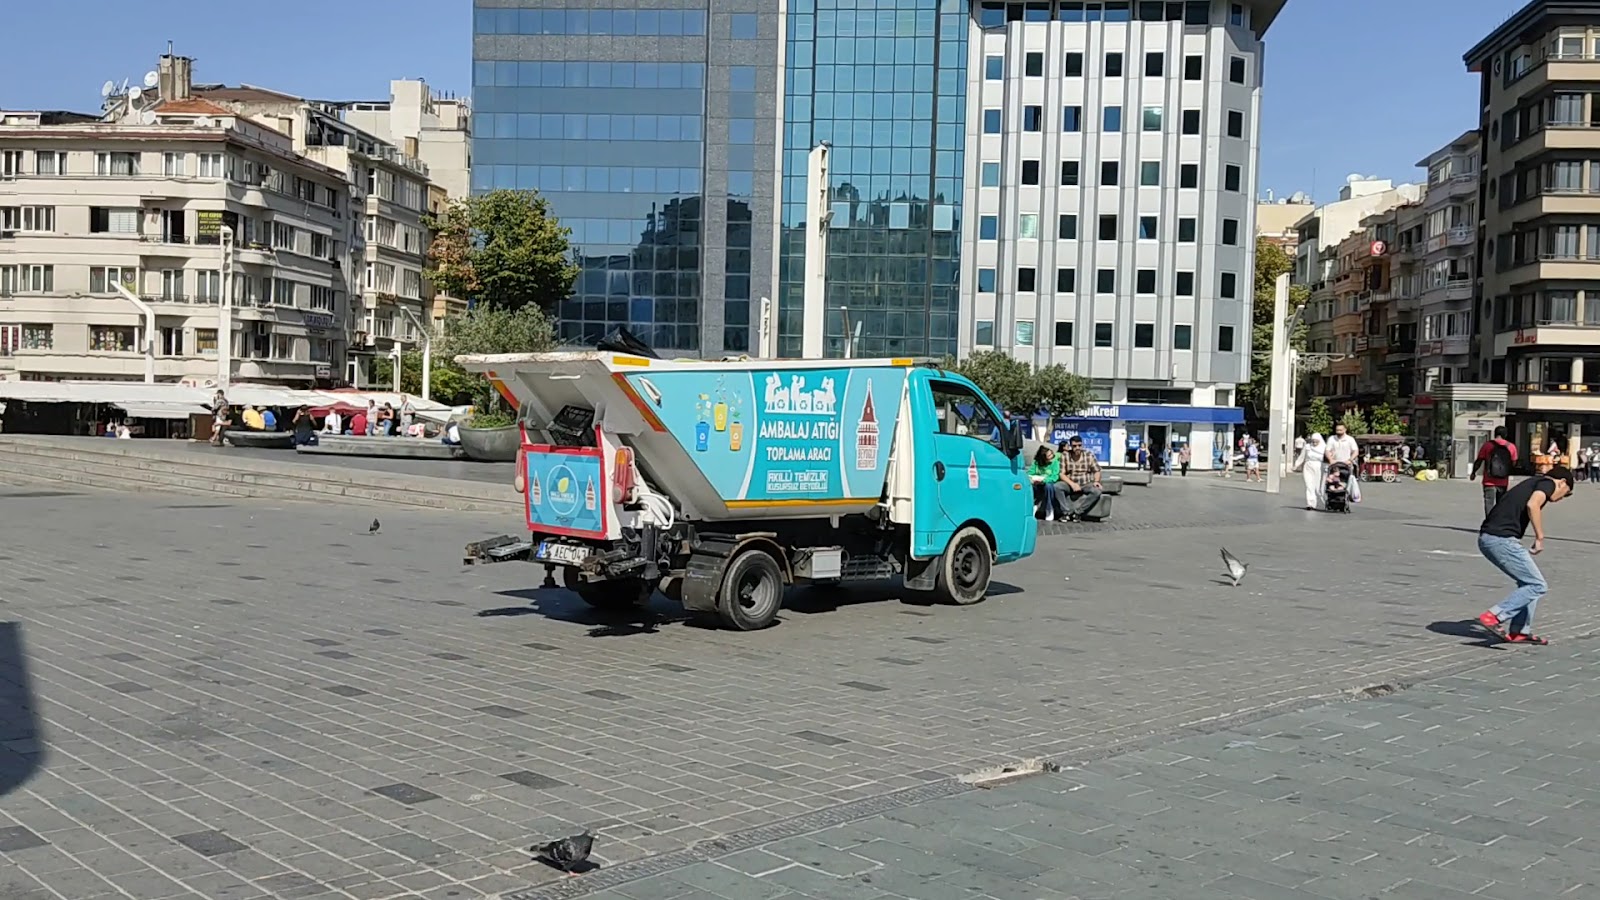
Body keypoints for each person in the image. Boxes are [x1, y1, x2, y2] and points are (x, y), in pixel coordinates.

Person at [1474, 464, 1573, 645]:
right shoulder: (1548, 483)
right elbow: (1533, 504)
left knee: (1528, 583)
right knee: (1537, 585)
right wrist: (1540, 537)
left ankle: (1519, 631)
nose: (1561, 499)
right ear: (1562, 482)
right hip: (1500, 539)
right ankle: (1494, 616)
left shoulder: (1534, 482)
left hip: (1492, 537)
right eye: (1566, 493)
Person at [1469, 425, 1517, 518]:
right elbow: (1514, 463)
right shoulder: (1511, 447)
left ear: (1495, 434)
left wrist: (1473, 472)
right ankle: (1498, 522)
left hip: (1489, 480)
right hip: (1503, 481)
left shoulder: (1487, 445)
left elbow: (1479, 460)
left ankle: (1489, 522)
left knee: (1489, 502)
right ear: (1505, 435)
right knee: (1501, 504)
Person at [1057, 435, 1103, 522]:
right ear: (1071, 446)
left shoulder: (1089, 455)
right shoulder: (1065, 455)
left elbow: (1097, 470)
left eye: (1079, 445)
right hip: (1070, 483)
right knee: (1057, 487)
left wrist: (1096, 481)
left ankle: (1078, 513)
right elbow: (1061, 474)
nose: (1077, 448)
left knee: (1097, 491)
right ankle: (1066, 513)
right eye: (1074, 446)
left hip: (1085, 483)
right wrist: (1072, 484)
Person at [1026, 444, 1068, 521]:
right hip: (1037, 483)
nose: (1052, 456)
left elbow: (1055, 476)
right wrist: (1032, 479)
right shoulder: (1036, 463)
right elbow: (1030, 473)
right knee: (1029, 485)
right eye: (1049, 456)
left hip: (1048, 482)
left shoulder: (1055, 462)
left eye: (1052, 454)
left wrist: (1044, 480)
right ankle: (1031, 507)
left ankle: (1049, 508)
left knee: (1049, 486)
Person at [1298, 432, 1327, 510]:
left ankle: (1322, 502)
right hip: (1308, 466)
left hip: (1319, 467)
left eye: (1316, 441)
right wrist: (1296, 465)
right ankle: (1310, 503)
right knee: (1309, 485)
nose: (1314, 443)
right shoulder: (1307, 447)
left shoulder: (1324, 447)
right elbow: (1302, 456)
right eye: (1313, 441)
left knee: (1318, 487)